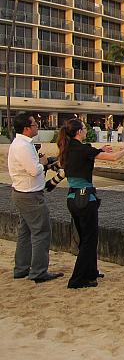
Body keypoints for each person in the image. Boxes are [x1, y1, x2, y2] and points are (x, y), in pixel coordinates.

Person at [57, 119, 124, 288]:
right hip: (85, 199)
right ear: (78, 132)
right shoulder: (83, 149)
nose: (85, 130)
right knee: (90, 239)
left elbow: (85, 156)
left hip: (72, 198)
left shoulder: (67, 149)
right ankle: (77, 279)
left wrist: (100, 149)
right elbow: (113, 158)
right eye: (84, 128)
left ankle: (90, 272)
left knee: (85, 238)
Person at [8, 113, 64, 283]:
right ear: (27, 128)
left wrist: (43, 162)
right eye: (34, 124)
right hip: (30, 195)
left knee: (25, 232)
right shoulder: (23, 146)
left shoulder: (20, 144)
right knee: (41, 232)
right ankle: (39, 272)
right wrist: (44, 163)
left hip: (22, 192)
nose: (37, 126)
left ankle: (21, 268)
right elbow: (34, 170)